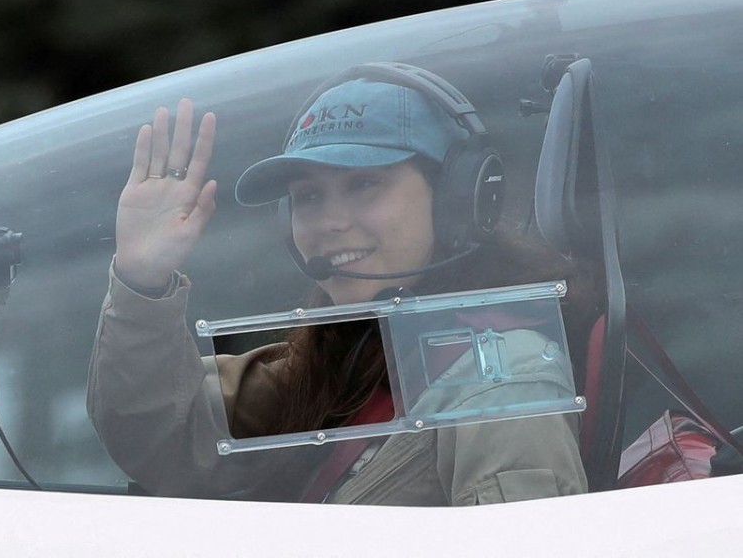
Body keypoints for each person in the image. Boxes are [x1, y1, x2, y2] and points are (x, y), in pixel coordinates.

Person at [87, 63, 592, 505]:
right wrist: (143, 278)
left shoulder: (502, 374)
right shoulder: (341, 361)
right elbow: (161, 437)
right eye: (308, 197)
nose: (330, 222)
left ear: (458, 198)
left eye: (364, 184)